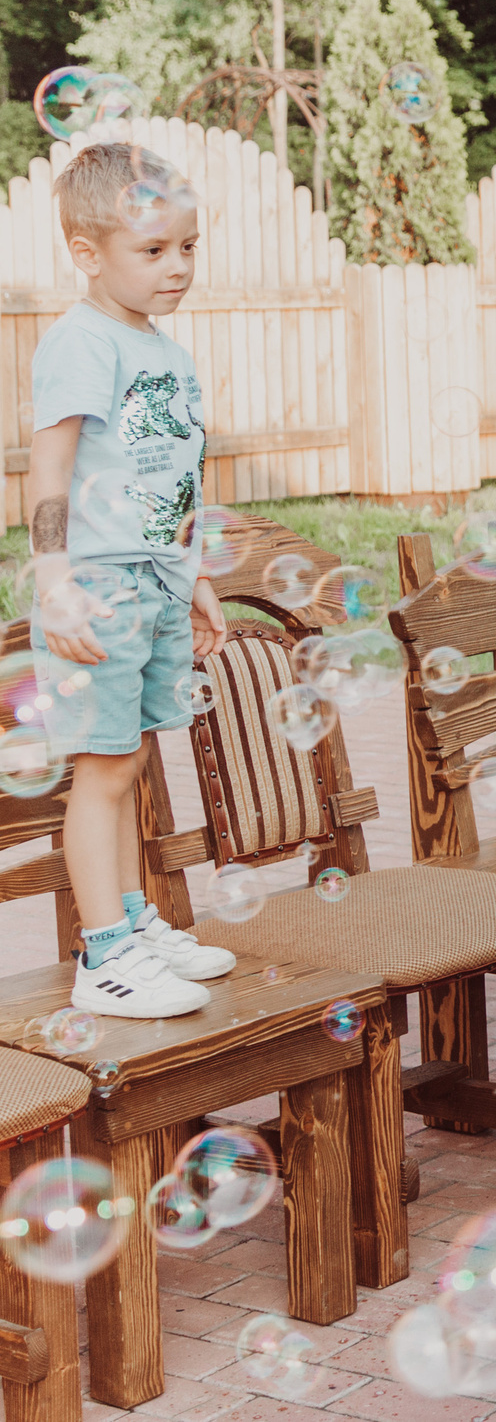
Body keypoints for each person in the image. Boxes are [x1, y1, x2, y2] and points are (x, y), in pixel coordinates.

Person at [31, 143, 232, 1020]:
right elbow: (48, 470)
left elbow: (173, 480)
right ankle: (104, 954)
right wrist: (54, 582)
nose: (178, 267)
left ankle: (133, 920)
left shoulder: (167, 352)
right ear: (87, 251)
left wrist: (193, 578)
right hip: (99, 586)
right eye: (153, 251)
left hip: (152, 580)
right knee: (102, 770)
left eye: (188, 247)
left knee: (133, 759)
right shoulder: (81, 342)